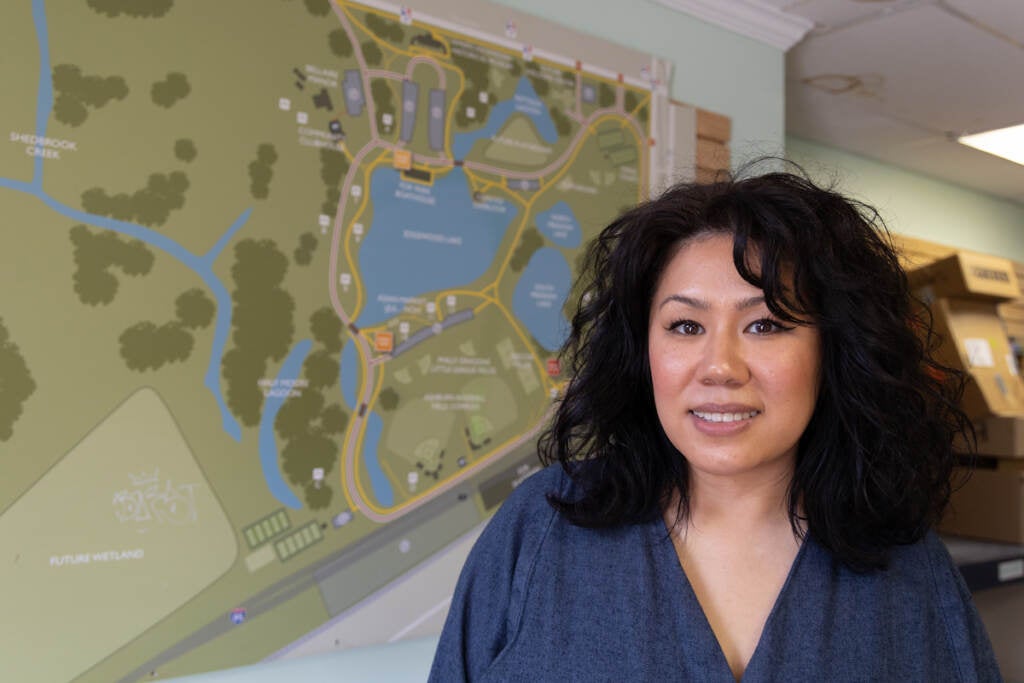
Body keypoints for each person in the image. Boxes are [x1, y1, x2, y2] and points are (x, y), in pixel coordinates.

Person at [428, 164, 1002, 682]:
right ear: (641, 350)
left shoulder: (910, 568)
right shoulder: (540, 528)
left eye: (766, 325)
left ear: (832, 352)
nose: (721, 368)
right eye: (684, 326)